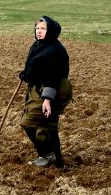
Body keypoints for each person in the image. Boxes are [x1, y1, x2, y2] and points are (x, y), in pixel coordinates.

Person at [18, 16, 73, 168]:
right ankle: (55, 160)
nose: (39, 31)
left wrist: (47, 100)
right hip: (38, 88)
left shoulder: (54, 49)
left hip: (51, 91)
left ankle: (48, 154)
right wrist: (26, 75)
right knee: (47, 126)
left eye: (43, 28)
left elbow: (52, 76)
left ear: (51, 31)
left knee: (29, 123)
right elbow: (36, 66)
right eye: (37, 28)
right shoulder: (40, 45)